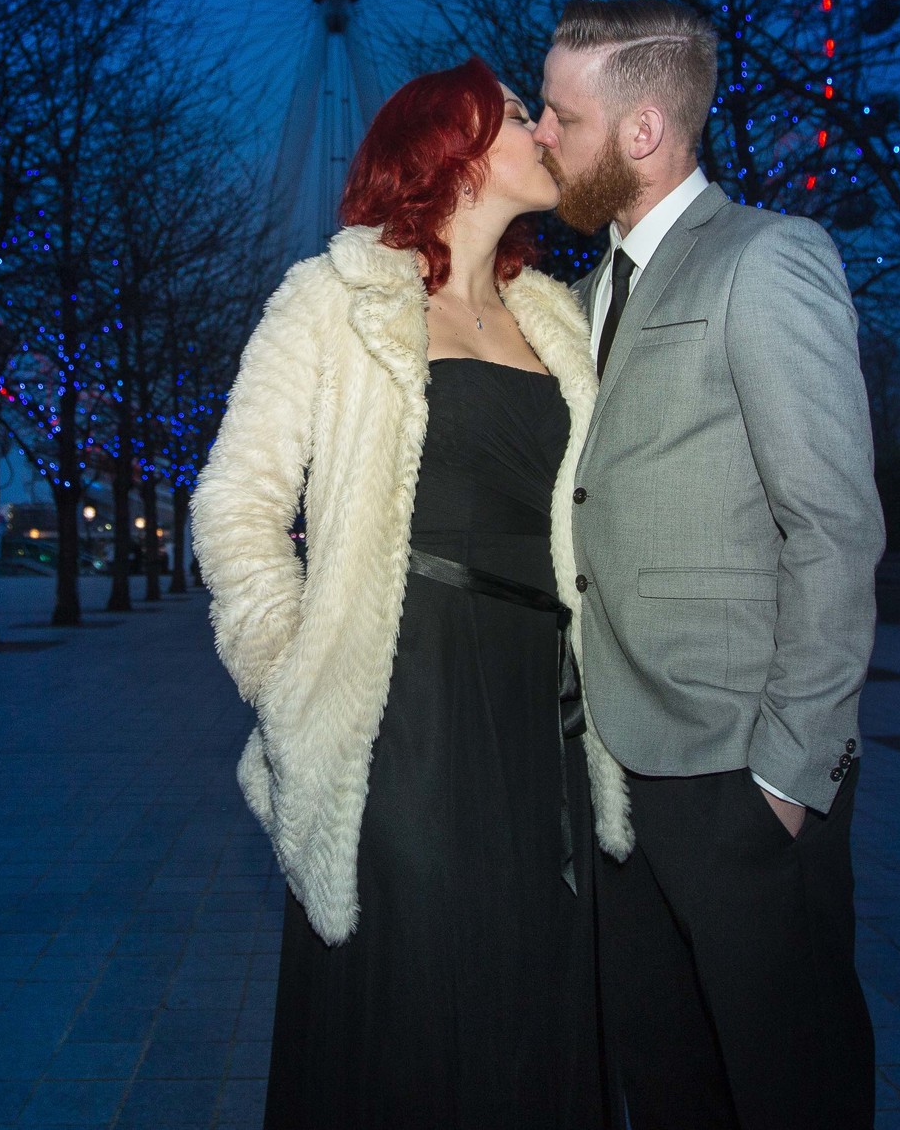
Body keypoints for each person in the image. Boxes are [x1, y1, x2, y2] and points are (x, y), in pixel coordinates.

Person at [197, 58, 625, 1130]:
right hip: (404, 707)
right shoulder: (333, 298)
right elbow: (235, 504)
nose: (545, 129)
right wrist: (292, 683)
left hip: (547, 707)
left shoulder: (558, 317)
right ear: (457, 146)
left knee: (540, 992)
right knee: (413, 1001)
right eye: (522, 115)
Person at [533, 0, 883, 1128]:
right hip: (613, 784)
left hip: (740, 772)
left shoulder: (769, 259)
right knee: (667, 1084)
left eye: (558, 113)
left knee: (790, 1087)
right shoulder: (578, 301)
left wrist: (791, 774)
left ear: (642, 130)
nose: (540, 134)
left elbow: (833, 528)